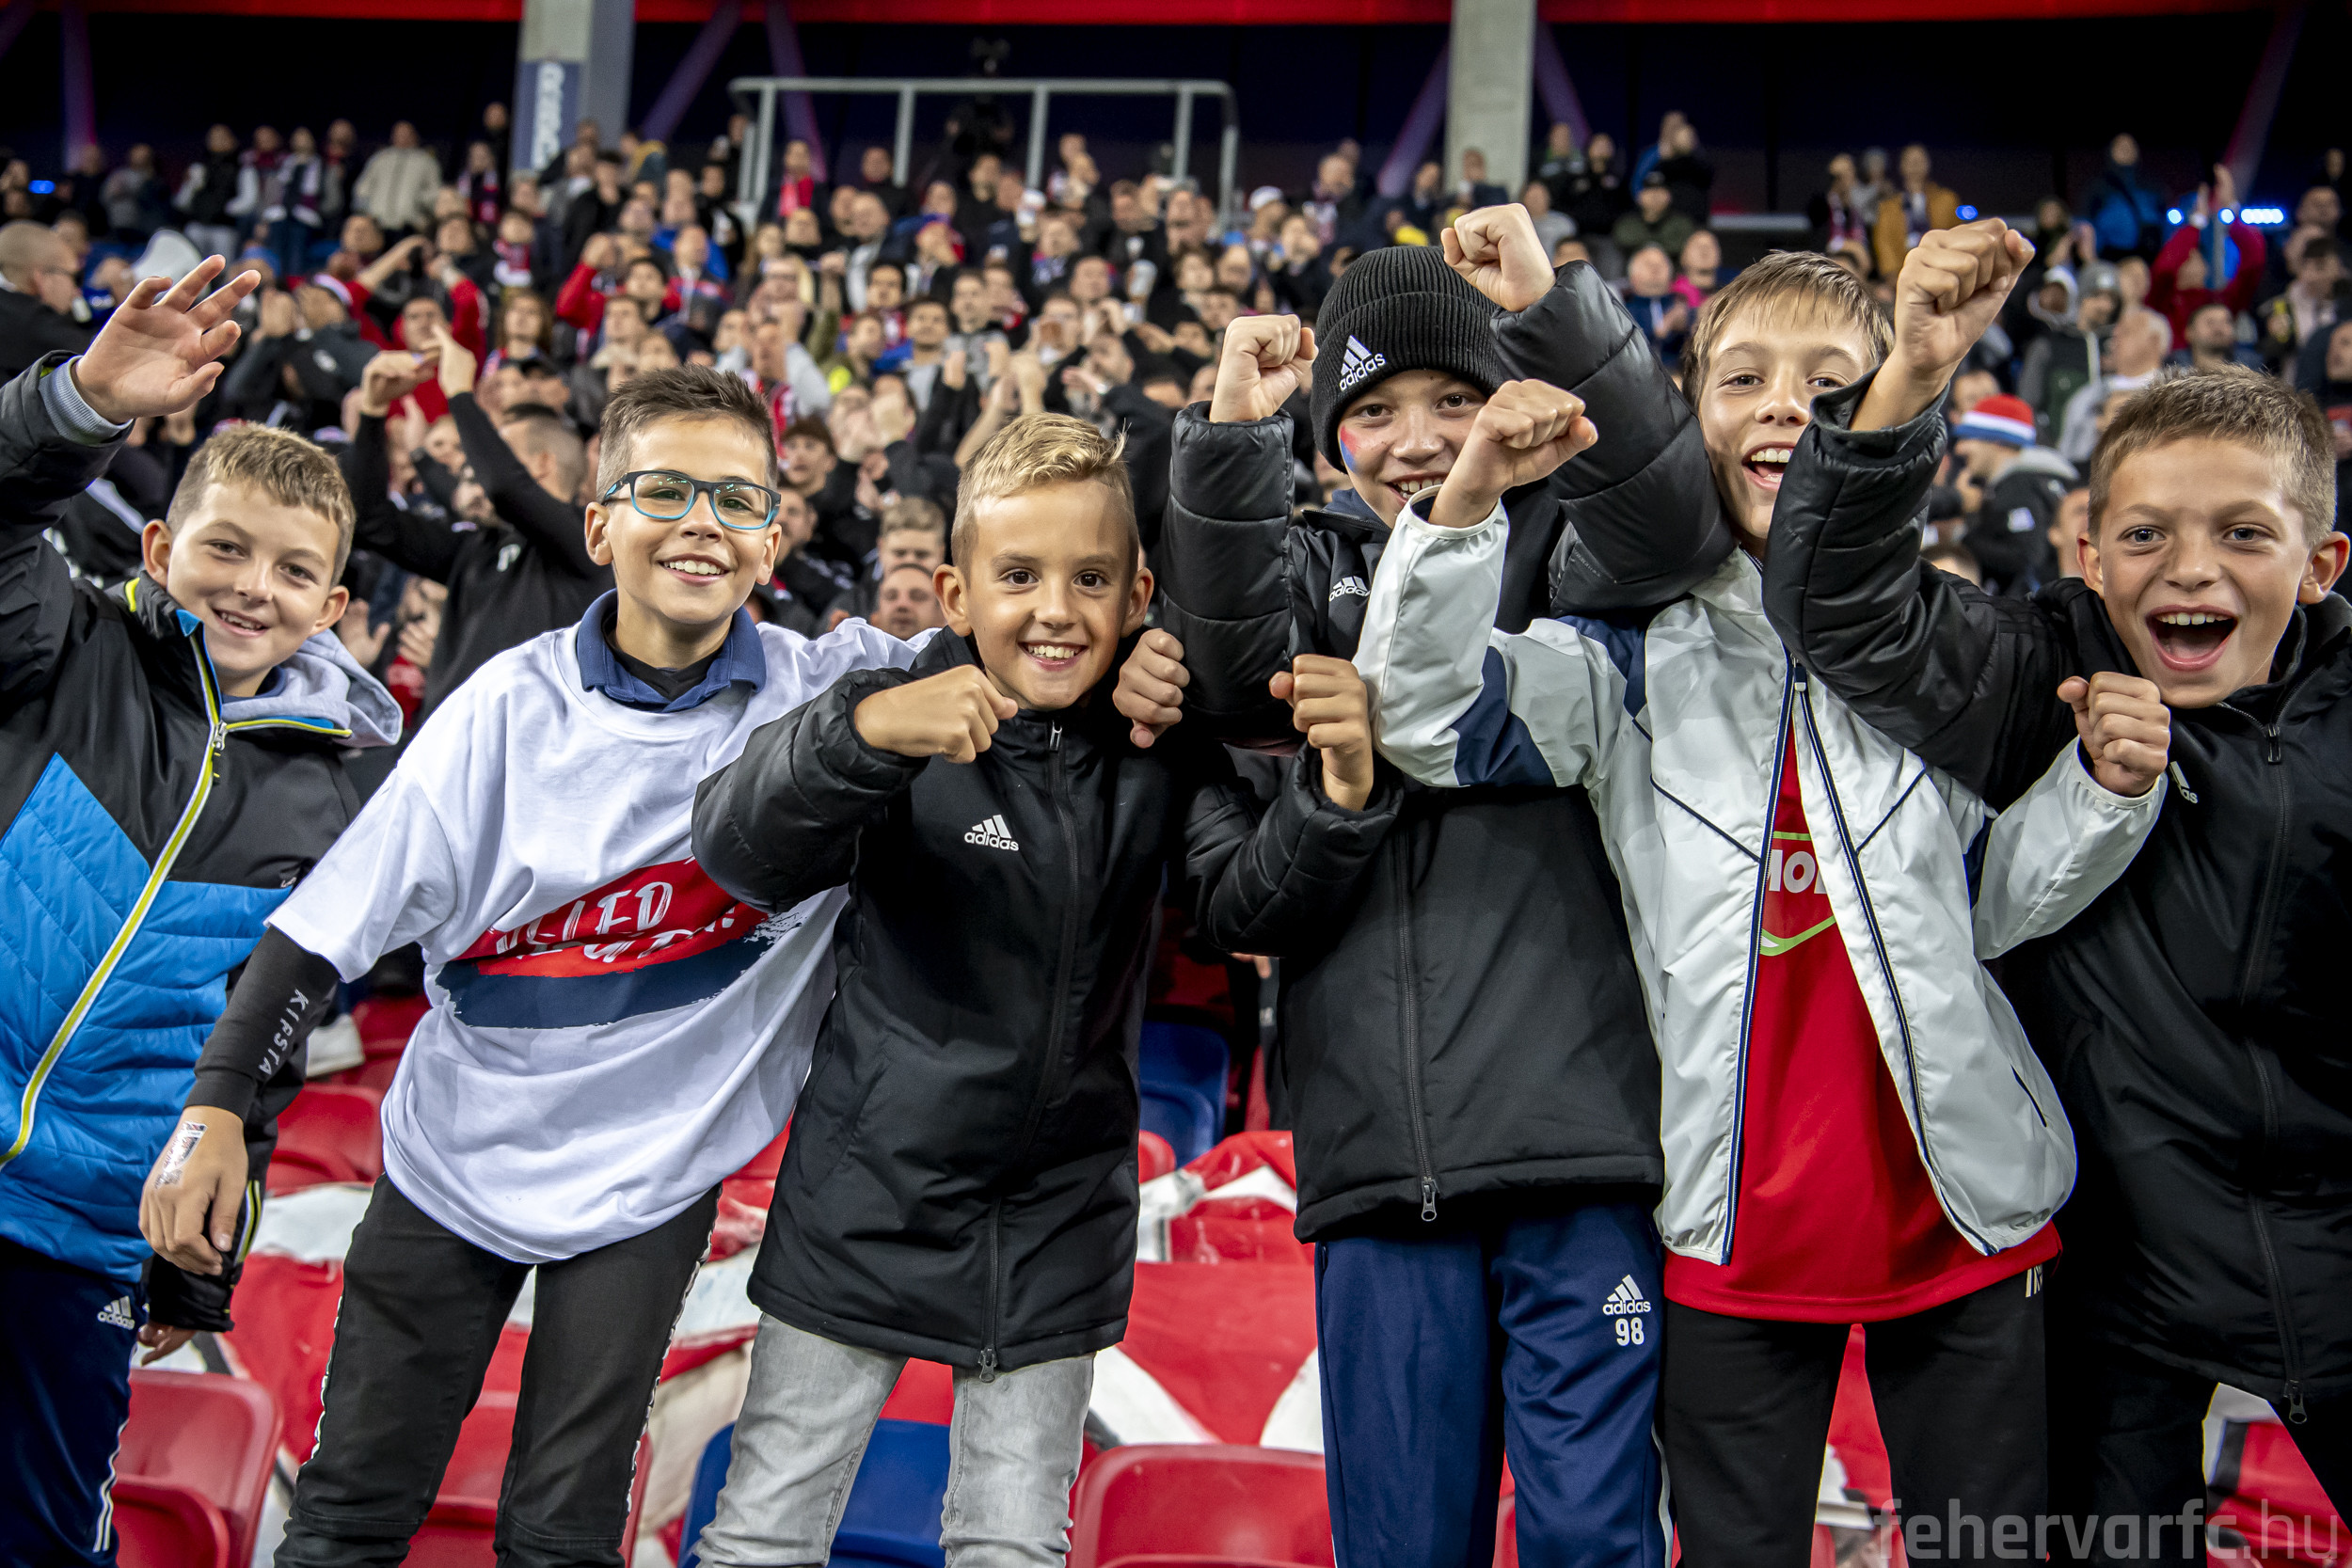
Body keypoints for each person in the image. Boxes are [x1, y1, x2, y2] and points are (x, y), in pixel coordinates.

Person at [1352, 233, 2171, 1568]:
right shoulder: (1622, 659)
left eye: (1828, 380)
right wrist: (1464, 503)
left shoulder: (1943, 646)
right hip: (1726, 1232)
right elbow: (1428, 714)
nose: (1785, 404)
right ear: (1688, 416)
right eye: (1742, 377)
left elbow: (1990, 905)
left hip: (1966, 1211)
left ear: (1890, 411)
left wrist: (2100, 792)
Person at [145, 367, 935, 1568]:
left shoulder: (832, 689)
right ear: (597, 525)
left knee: (563, 1531)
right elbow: (320, 934)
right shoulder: (500, 711)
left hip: (654, 1174)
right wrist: (215, 1105)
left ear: (774, 542)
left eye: (736, 498)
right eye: (663, 490)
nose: (702, 522)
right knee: (350, 1506)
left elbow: (1040, 627)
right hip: (453, 1154)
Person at [686, 413, 1401, 1567]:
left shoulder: (1155, 739)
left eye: (1091, 579)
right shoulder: (890, 707)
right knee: (764, 1532)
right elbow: (737, 848)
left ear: (1138, 596)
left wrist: (1339, 794)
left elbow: (1247, 910)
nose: (1056, 609)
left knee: (1013, 1544)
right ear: (956, 594)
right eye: (1018, 576)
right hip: (866, 1196)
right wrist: (866, 731)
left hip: (1060, 1215)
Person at [1127, 205, 1727, 1568]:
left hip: (1584, 1152)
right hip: (1377, 1173)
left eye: (1455, 398)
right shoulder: (1299, 575)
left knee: (1597, 1543)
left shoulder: (1571, 553)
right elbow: (1225, 659)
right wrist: (1230, 436)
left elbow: (1676, 528)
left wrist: (1557, 314)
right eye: (1374, 409)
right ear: (1327, 438)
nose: (1417, 440)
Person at [1764, 223, 2352, 1548]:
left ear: (2321, 565)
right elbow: (1836, 608)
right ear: (2090, 553)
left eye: (2242, 532)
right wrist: (1914, 371)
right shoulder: (2040, 671)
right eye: (2146, 533)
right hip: (2118, 1290)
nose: (2189, 568)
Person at [1, 260, 398, 1566]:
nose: (250, 585)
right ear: (161, 548)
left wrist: (201, 1256)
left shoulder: (336, 799)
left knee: (45, 1539)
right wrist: (78, 403)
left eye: (293, 568)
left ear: (333, 608)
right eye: (224, 546)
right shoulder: (56, 642)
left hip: (88, 1223)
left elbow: (260, 1036)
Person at [339, 331, 612, 721]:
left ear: (541, 464)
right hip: (442, 746)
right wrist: (373, 411)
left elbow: (504, 486)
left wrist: (460, 393)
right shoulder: (477, 547)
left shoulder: (588, 541)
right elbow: (369, 520)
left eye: (499, 450)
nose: (476, 464)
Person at [1949, 391, 2079, 597]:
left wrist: (1968, 538)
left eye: (1968, 437)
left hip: (2036, 607)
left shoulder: (2019, 485)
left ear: (1998, 441)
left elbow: (2027, 558)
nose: (1959, 448)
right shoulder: (2048, 480)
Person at [2149, 166, 2266, 349]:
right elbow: (2163, 270)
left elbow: (2254, 260)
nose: (2199, 264)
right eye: (2188, 259)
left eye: (2200, 258)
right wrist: (2197, 222)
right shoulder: (2165, 308)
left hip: (2226, 363)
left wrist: (2231, 208)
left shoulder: (2223, 301)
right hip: (2180, 363)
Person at [2057, 308, 2170, 465]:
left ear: (2154, 341)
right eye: (2114, 335)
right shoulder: (2087, 396)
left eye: (2126, 333)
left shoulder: (2177, 392)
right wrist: (2096, 428)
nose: (2114, 340)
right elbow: (2067, 452)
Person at [0, 220, 94, 378]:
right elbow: (98, 358)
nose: (76, 290)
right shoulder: (33, 322)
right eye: (73, 276)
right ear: (41, 277)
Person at [1872, 144, 1961, 280]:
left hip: (1941, 270)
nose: (1914, 165)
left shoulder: (1947, 200)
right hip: (1903, 272)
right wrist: (1893, 276)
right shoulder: (1888, 208)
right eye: (1910, 161)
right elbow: (1884, 245)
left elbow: (1956, 236)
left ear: (1928, 165)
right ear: (1901, 166)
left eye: (1919, 161)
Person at [1612, 171, 1695, 259]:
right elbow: (1624, 240)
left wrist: (1647, 244)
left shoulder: (1681, 222)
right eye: (1649, 190)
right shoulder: (1628, 222)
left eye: (1659, 190)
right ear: (1639, 196)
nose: (1654, 195)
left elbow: (1682, 245)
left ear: (1669, 196)